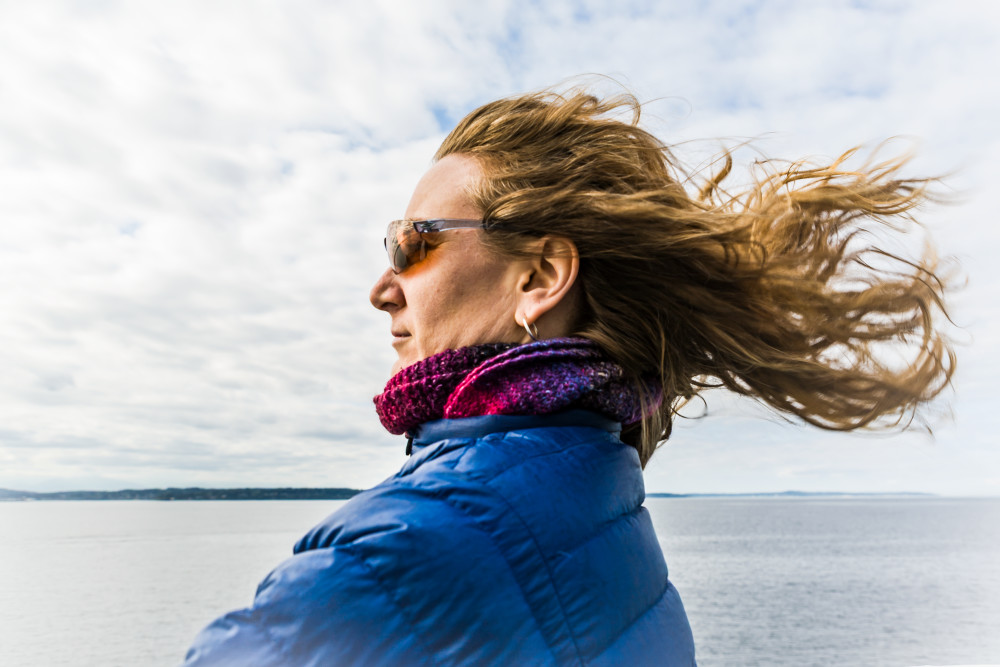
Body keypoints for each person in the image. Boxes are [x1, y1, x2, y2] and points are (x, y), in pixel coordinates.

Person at [182, 87, 953, 666]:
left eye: (413, 243)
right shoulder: (599, 491)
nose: (383, 287)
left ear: (541, 276)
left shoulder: (404, 557)